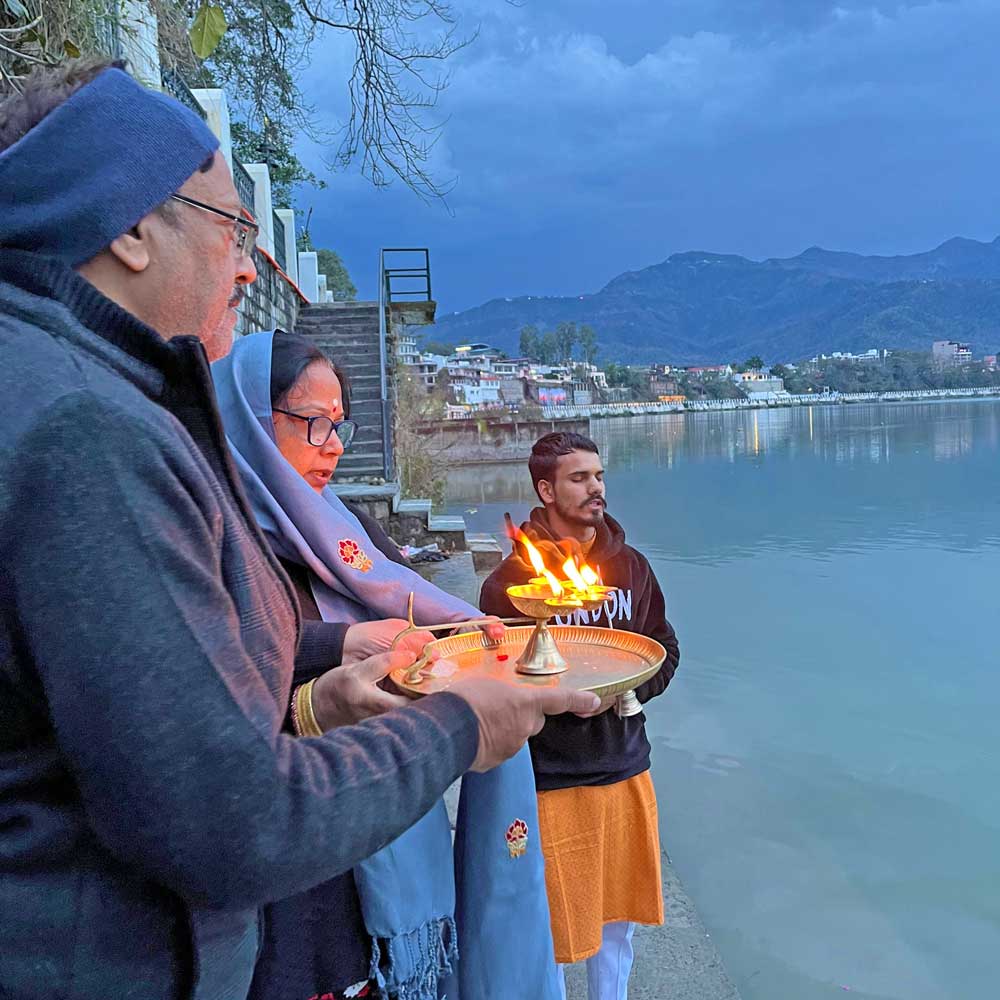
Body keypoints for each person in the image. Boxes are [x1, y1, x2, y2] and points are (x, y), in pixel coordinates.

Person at [0, 60, 598, 1000]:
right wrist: (456, 726)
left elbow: (120, 729)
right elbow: (231, 824)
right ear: (127, 228)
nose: (249, 264)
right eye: (233, 227)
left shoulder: (49, 384)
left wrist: (319, 699)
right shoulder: (85, 429)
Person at [212, 329, 562, 1000]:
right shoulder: (218, 543)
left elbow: (428, 633)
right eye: (312, 425)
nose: (334, 447)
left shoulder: (349, 535)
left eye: (338, 425)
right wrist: (330, 667)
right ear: (248, 422)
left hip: (382, 829)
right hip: (288, 886)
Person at [479, 431, 681, 1000]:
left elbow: (664, 645)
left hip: (621, 764)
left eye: (598, 476)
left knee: (618, 925)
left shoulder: (632, 568)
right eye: (579, 478)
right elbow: (494, 672)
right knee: (547, 926)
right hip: (550, 775)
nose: (596, 489)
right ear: (544, 489)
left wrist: (633, 692)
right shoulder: (511, 585)